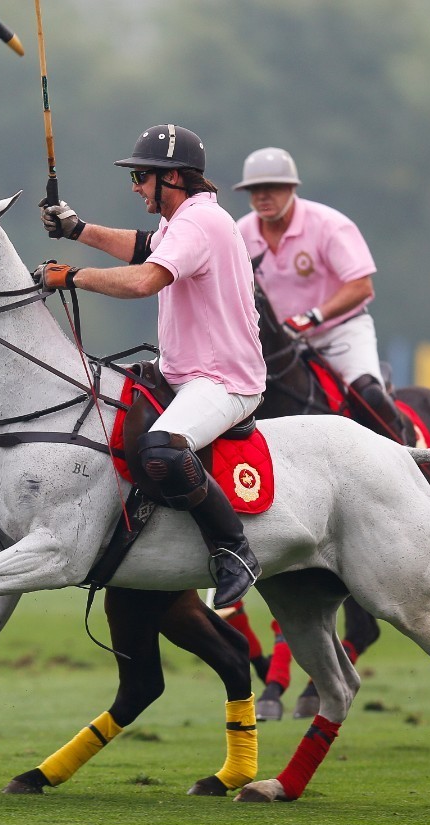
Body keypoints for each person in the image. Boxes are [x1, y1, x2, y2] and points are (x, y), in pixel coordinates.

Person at [36, 124, 265, 608]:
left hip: (224, 381)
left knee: (161, 450)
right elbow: (143, 247)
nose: (136, 186)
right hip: (179, 371)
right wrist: (78, 229)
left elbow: (144, 280)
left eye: (142, 176)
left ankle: (234, 550)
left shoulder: (200, 222)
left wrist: (72, 276)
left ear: (175, 178)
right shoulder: (180, 220)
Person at [233, 147, 407, 441]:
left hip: (339, 333)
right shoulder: (240, 233)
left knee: (368, 394)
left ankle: (408, 458)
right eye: (254, 189)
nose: (262, 196)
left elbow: (361, 285)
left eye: (272, 188)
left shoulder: (329, 225)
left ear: (291, 188)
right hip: (278, 343)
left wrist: (312, 316)